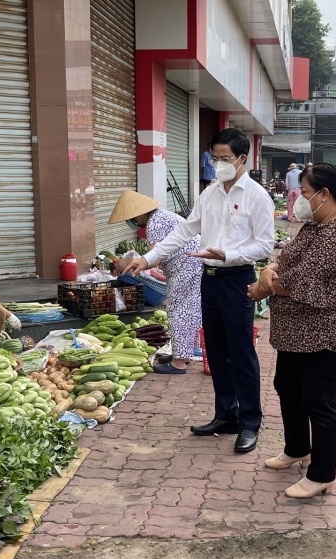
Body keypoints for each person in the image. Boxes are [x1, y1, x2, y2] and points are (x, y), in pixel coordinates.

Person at [125, 128, 275, 453]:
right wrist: (147, 258)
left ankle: (250, 422)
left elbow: (265, 244)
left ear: (241, 159)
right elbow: (184, 230)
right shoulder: (209, 194)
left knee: (241, 353)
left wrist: (230, 255)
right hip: (209, 278)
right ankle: (226, 415)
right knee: (216, 350)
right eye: (214, 158)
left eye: (225, 159)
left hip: (237, 279)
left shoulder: (256, 196)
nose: (218, 164)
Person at [249, 163, 336, 498]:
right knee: (287, 387)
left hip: (323, 331)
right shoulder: (318, 225)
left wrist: (263, 288)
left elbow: (304, 280)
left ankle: (322, 474)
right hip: (296, 331)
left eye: (305, 193)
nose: (299, 200)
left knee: (320, 403)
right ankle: (298, 448)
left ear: (324, 195)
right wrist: (270, 268)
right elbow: (288, 259)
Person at [109, 189, 203, 375]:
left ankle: (178, 362)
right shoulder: (160, 217)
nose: (132, 223)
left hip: (187, 265)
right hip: (192, 263)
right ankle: (184, 354)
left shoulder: (155, 222)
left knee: (179, 309)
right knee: (190, 308)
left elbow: (154, 259)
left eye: (131, 219)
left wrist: (125, 263)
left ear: (139, 214)